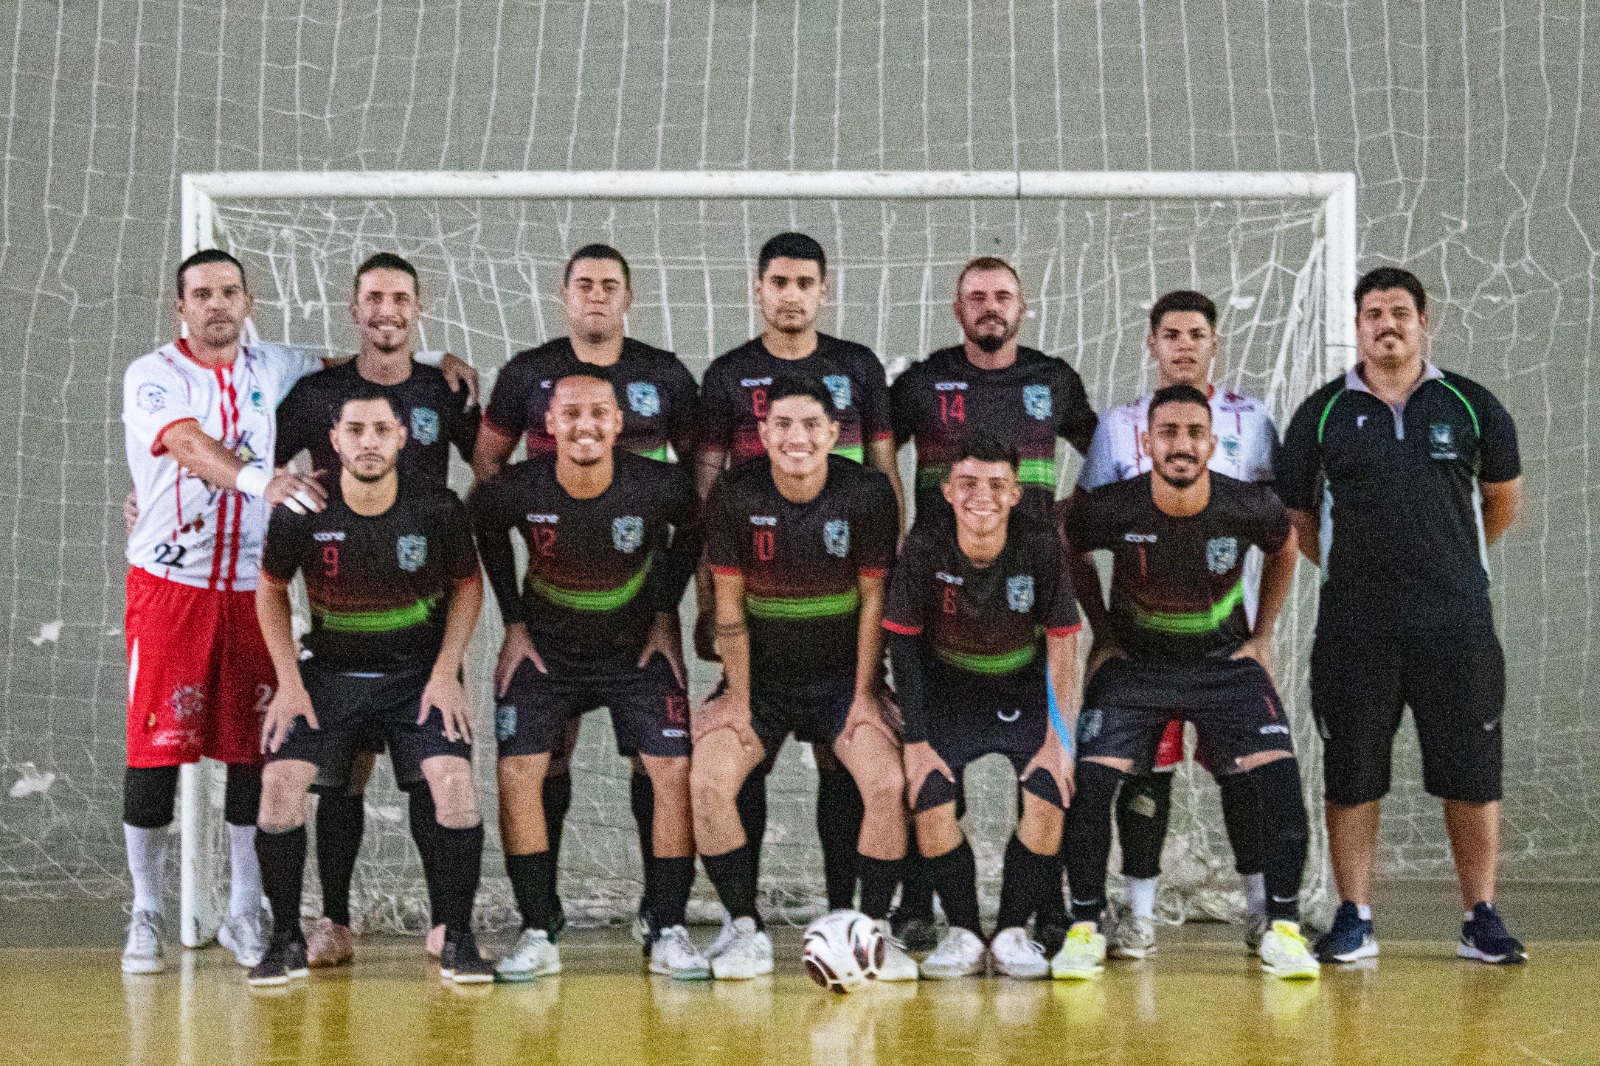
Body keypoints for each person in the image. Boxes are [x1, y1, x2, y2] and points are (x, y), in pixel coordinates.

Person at [1276, 267, 1526, 965]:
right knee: (1353, 773)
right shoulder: (1322, 413)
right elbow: (1299, 521)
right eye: (1374, 314)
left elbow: (1501, 501)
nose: (1387, 324)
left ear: (1424, 322)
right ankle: (1354, 916)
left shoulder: (1471, 406)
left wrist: (1446, 563)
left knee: (1472, 773)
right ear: (1357, 326)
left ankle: (1480, 916)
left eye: (1400, 312)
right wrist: (1365, 575)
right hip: (1356, 627)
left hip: (1457, 625)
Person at [473, 244, 699, 943]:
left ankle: (664, 923)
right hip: (549, 637)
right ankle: (540, 926)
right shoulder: (525, 382)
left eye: (610, 285)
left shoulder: (663, 386)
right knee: (537, 763)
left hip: (635, 629)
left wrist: (668, 611)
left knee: (662, 762)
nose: (596, 295)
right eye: (584, 284)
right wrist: (512, 621)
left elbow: (695, 501)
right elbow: (485, 489)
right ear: (564, 294)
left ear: (629, 297)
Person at [1055, 384, 1318, 981]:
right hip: (1136, 670)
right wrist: (1102, 629)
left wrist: (1262, 633)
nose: (1181, 445)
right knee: (1091, 787)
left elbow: (1286, 548)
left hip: (1225, 665)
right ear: (1146, 443)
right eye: (1168, 433)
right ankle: (1086, 927)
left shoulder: (1247, 504)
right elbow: (1070, 547)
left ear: (1212, 442)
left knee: (1279, 782)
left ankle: (1281, 925)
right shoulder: (1111, 506)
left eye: (1194, 434)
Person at [694, 233, 905, 943]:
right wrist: (734, 689)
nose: (790, 293)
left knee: (857, 775)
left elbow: (885, 476)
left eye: (804, 281)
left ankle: (854, 920)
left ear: (824, 289)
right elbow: (704, 489)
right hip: (763, 662)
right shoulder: (729, 386)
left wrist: (867, 685)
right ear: (759, 289)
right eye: (778, 281)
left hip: (842, 660)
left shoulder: (857, 382)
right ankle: (741, 924)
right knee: (726, 767)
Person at [274, 251, 480, 967]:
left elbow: (491, 466)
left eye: (399, 298)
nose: (386, 310)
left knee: (436, 772)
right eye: (373, 298)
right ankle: (332, 921)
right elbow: (260, 470)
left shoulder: (443, 388)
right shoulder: (317, 393)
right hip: (339, 620)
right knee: (344, 777)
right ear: (353, 308)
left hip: (419, 623)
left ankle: (446, 925)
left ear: (419, 308)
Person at [888, 255, 1098, 947]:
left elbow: (1107, 452)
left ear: (1022, 306)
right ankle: (922, 907)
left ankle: (1043, 907)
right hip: (941, 588)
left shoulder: (1053, 379)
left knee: (1041, 759)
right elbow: (876, 451)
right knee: (928, 767)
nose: (990, 307)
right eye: (976, 296)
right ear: (957, 309)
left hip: (1027, 592)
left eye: (1002, 295)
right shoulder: (922, 383)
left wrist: (1075, 515)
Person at [1070, 290, 1280, 956]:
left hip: (1224, 641)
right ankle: (1137, 914)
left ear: (1215, 342)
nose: (1183, 345)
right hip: (1141, 644)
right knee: (1142, 775)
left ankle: (1261, 911)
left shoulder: (1253, 420)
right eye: (1171, 334)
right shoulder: (1118, 426)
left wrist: (1263, 633)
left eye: (1196, 333)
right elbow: (1082, 529)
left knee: (1243, 773)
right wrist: (1102, 630)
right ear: (1151, 343)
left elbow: (1276, 529)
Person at [882, 433, 1080, 979]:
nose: (982, 497)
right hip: (950, 695)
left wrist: (1059, 741)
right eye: (968, 483)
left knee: (1048, 796)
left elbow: (1065, 645)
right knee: (927, 796)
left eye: (997, 485)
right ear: (947, 491)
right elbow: (902, 643)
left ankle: (1013, 932)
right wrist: (917, 741)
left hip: (1022, 694)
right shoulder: (925, 546)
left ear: (1016, 493)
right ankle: (965, 931)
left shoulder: (1040, 546)